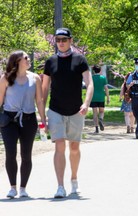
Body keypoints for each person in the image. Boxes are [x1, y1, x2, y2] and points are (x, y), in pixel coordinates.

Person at [42, 28, 94, 198]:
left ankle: (74, 179)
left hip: (76, 111)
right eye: (58, 40)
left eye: (64, 39)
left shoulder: (80, 59)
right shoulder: (50, 61)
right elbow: (44, 89)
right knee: (59, 145)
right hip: (56, 109)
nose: (61, 42)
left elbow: (89, 83)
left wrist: (86, 103)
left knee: (74, 147)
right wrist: (42, 114)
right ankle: (60, 186)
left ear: (70, 40)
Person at [0, 50, 46, 198]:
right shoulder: (6, 78)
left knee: (26, 155)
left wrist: (43, 118)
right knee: (10, 153)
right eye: (25, 58)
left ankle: (23, 188)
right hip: (9, 120)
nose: (28, 60)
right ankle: (12, 187)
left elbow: (39, 100)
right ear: (17, 61)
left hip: (28, 119)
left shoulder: (35, 78)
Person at [90, 65, 110, 133]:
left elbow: (89, 88)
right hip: (101, 97)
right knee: (101, 111)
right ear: (100, 70)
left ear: (93, 71)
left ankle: (96, 128)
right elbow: (106, 88)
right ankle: (101, 119)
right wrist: (108, 98)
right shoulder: (103, 78)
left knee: (95, 113)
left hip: (93, 97)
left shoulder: (91, 78)